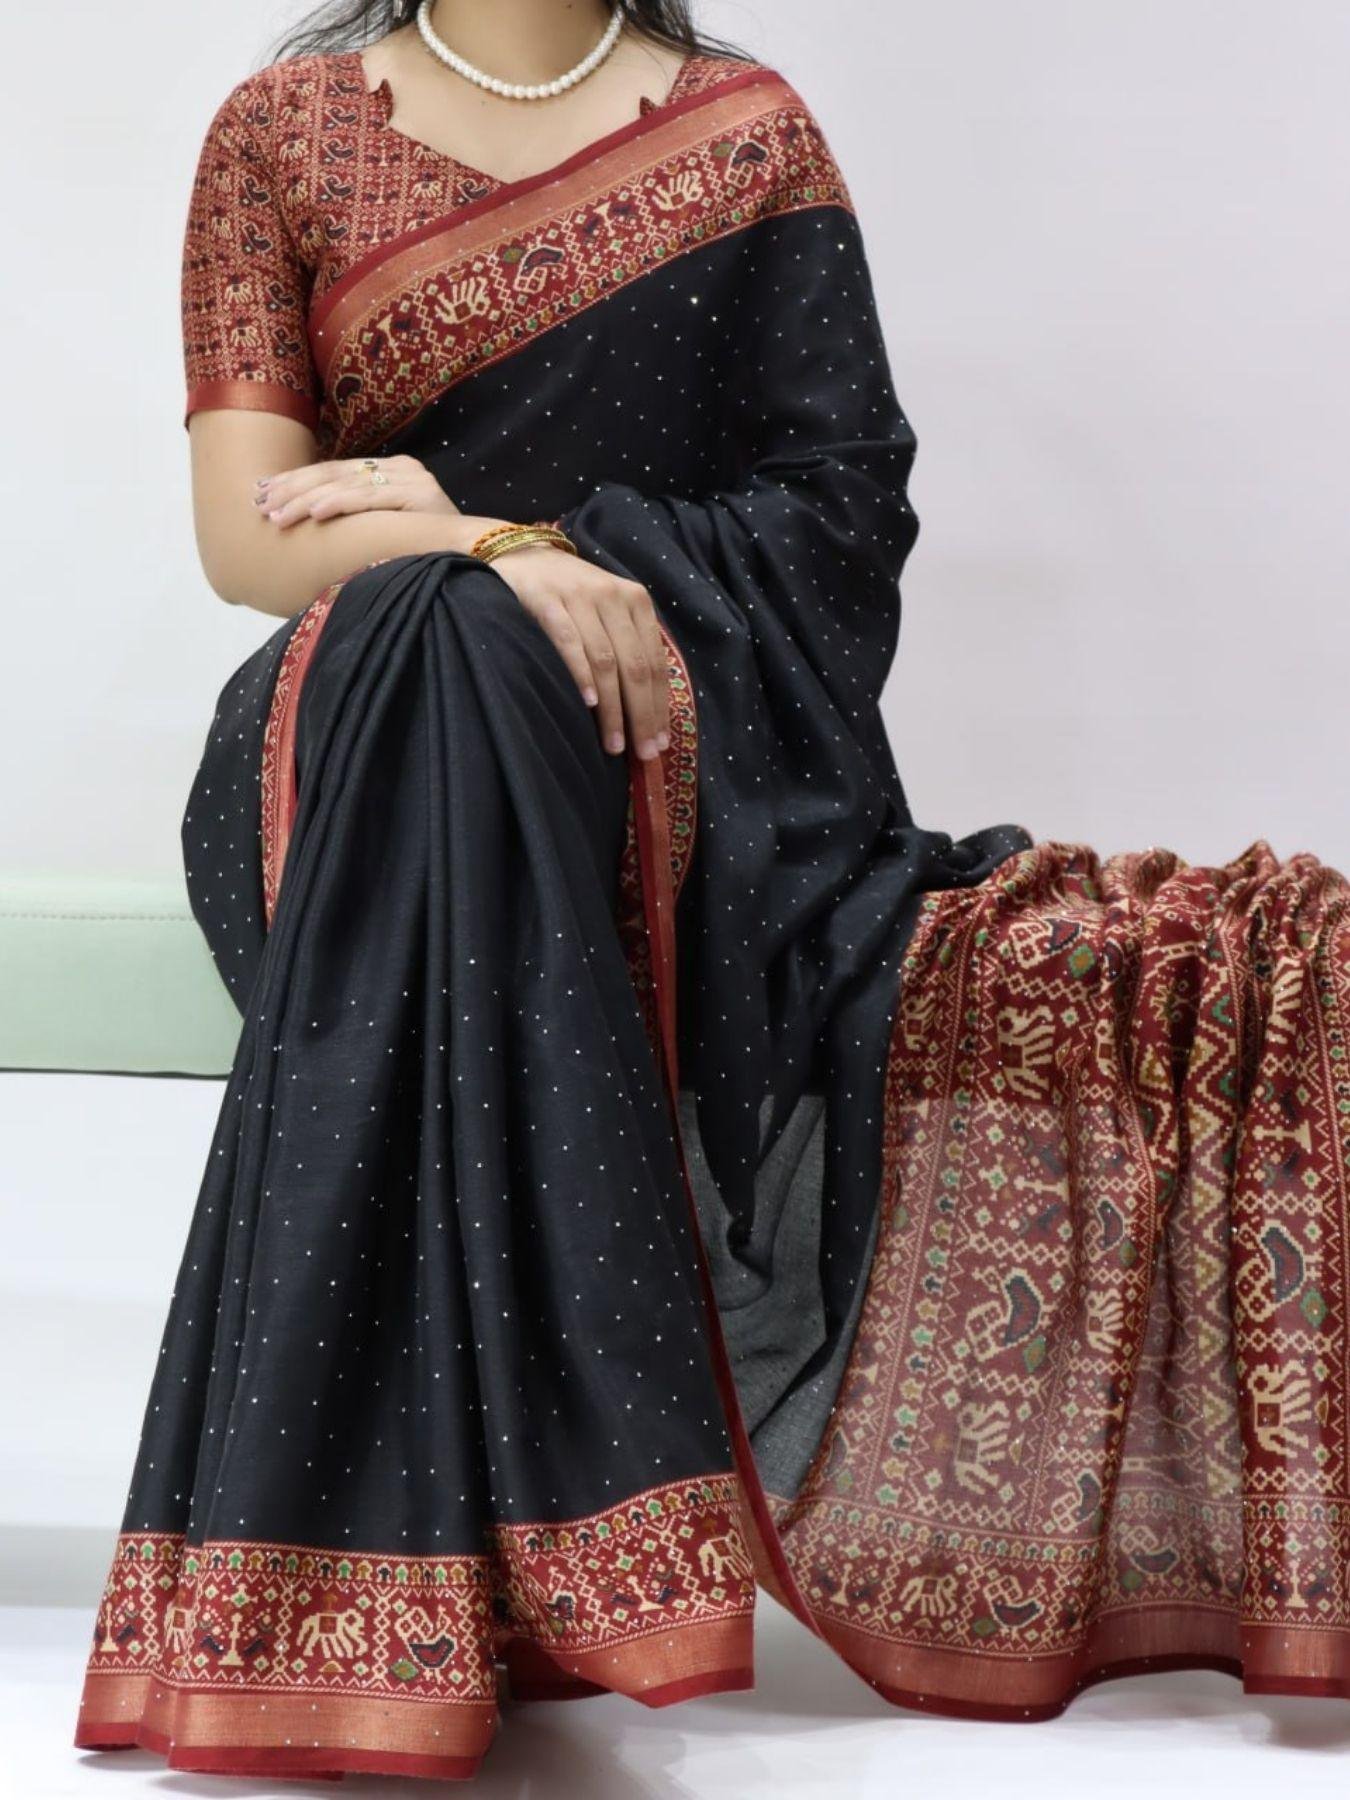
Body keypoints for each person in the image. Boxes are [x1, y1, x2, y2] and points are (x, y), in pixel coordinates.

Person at [75, 0, 1350, 1781]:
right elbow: (247, 535)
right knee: (439, 642)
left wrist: (574, 563)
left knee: (468, 645)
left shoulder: (743, 133)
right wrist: (489, 549)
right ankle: (513, 1538)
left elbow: (839, 515)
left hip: (668, 749)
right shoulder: (281, 132)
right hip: (350, 743)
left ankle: (445, 1558)